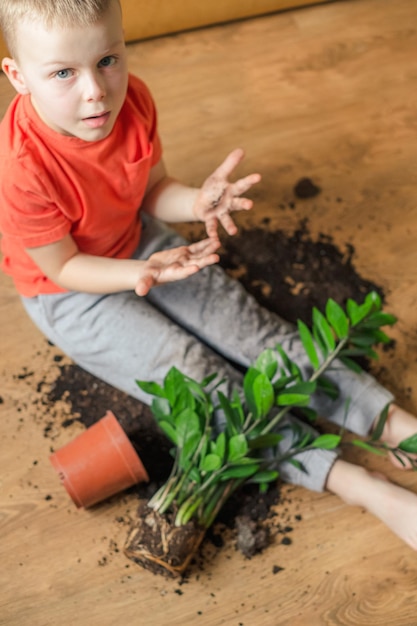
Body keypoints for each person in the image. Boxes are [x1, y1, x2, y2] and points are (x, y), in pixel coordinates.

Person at [0, 0, 416, 551]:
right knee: (197, 378)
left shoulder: (133, 100)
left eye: (107, 59)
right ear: (16, 76)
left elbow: (151, 190)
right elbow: (64, 266)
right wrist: (140, 272)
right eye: (62, 73)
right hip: (73, 292)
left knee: (254, 332)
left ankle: (388, 422)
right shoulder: (22, 169)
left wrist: (197, 200)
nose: (96, 90)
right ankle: (357, 483)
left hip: (139, 237)